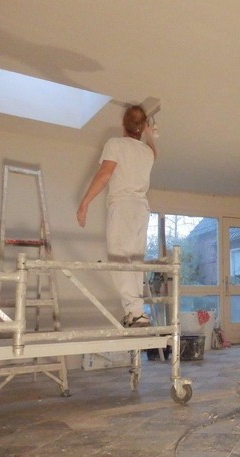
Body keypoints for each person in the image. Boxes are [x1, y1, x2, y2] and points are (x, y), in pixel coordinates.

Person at [77, 105, 157, 328]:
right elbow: (154, 153)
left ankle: (136, 312)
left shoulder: (115, 144)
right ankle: (136, 312)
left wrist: (85, 203)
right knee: (135, 260)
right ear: (142, 127)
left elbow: (104, 174)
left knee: (118, 258)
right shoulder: (147, 152)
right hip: (141, 208)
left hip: (123, 205)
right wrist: (150, 135)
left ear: (123, 124)